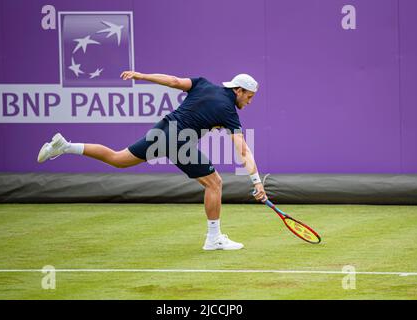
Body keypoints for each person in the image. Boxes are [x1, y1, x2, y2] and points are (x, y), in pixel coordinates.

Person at [37, 71, 268, 250]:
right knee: (214, 183)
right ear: (238, 90)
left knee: (118, 159)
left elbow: (174, 81)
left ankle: (65, 146)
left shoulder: (203, 83)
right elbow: (243, 150)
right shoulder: (229, 111)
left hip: (162, 130)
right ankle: (214, 238)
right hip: (179, 141)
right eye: (249, 96)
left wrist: (141, 76)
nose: (250, 101)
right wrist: (257, 182)